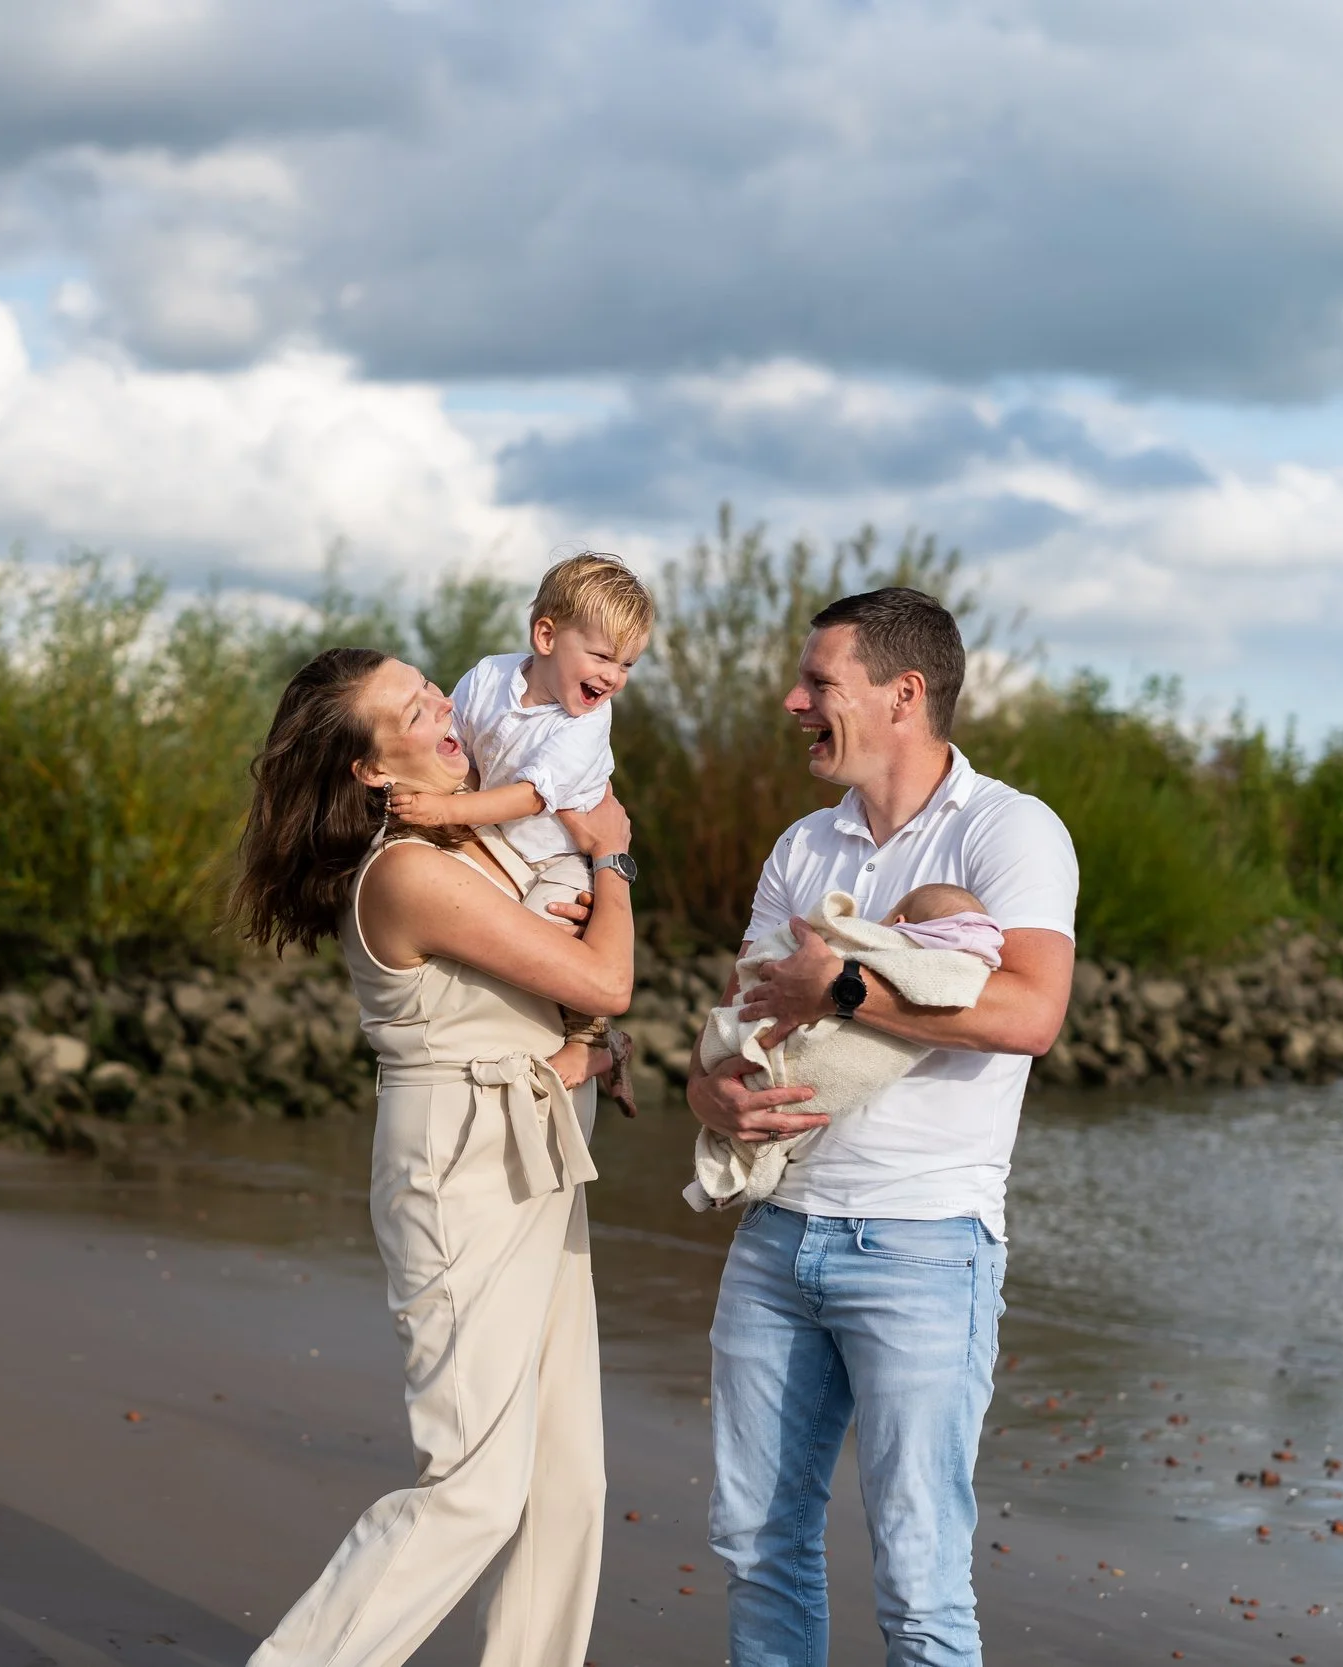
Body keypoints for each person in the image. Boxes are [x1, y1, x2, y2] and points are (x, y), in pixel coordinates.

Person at [687, 587, 1078, 1667]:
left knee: (917, 1580)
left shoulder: (1011, 829)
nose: (792, 699)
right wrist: (707, 1091)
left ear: (902, 693)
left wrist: (847, 990)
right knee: (757, 1544)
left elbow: (1030, 1014)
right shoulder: (802, 845)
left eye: (818, 682)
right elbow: (732, 1025)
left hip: (922, 1243)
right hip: (773, 1236)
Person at [232, 645, 637, 1667]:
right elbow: (605, 979)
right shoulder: (409, 869)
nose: (440, 703)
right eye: (408, 708)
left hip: (535, 1142)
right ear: (372, 767)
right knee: (473, 1485)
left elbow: (550, 1003)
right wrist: (613, 858)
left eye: (430, 686)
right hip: (459, 1164)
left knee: (564, 1478)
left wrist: (583, 1049)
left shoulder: (481, 840)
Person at [392, 551, 655, 1118]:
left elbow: (534, 796)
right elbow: (455, 742)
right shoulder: (489, 675)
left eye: (628, 665)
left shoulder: (588, 722)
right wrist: (440, 796)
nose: (613, 677)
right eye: (604, 656)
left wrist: (441, 812)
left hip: (559, 851)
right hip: (499, 836)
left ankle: (594, 1040)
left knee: (543, 927)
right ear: (545, 635)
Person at [685, 883, 1005, 1213]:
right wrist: (699, 1092)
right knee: (764, 1109)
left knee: (778, 1108)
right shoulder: (796, 844)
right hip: (775, 1214)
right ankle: (727, 1176)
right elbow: (744, 987)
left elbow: (1032, 1022)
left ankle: (725, 1177)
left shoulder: (1005, 835)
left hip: (919, 1215)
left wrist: (834, 987)